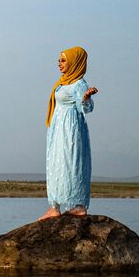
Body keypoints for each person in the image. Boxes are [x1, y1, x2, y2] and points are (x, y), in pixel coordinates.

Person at [41, 46, 99, 221]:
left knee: (72, 163)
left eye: (64, 60)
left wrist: (87, 97)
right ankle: (55, 206)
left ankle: (78, 206)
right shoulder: (62, 82)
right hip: (58, 129)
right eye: (59, 60)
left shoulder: (79, 84)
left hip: (71, 129)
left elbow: (86, 108)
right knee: (56, 163)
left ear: (75, 62)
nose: (59, 63)